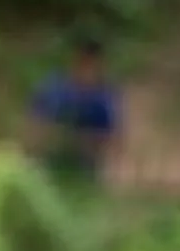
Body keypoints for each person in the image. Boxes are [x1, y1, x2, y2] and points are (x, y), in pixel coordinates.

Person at [29, 35, 119, 183]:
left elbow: (111, 137)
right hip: (51, 162)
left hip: (84, 167)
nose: (87, 70)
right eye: (84, 63)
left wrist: (84, 141)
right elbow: (35, 123)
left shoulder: (103, 96)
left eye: (92, 65)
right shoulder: (55, 88)